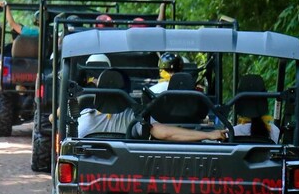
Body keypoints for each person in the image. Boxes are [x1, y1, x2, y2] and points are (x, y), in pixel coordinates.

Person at [77, 55, 225, 142]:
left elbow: (53, 118)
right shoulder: (134, 118)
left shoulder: (81, 115)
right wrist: (208, 134)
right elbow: (166, 133)